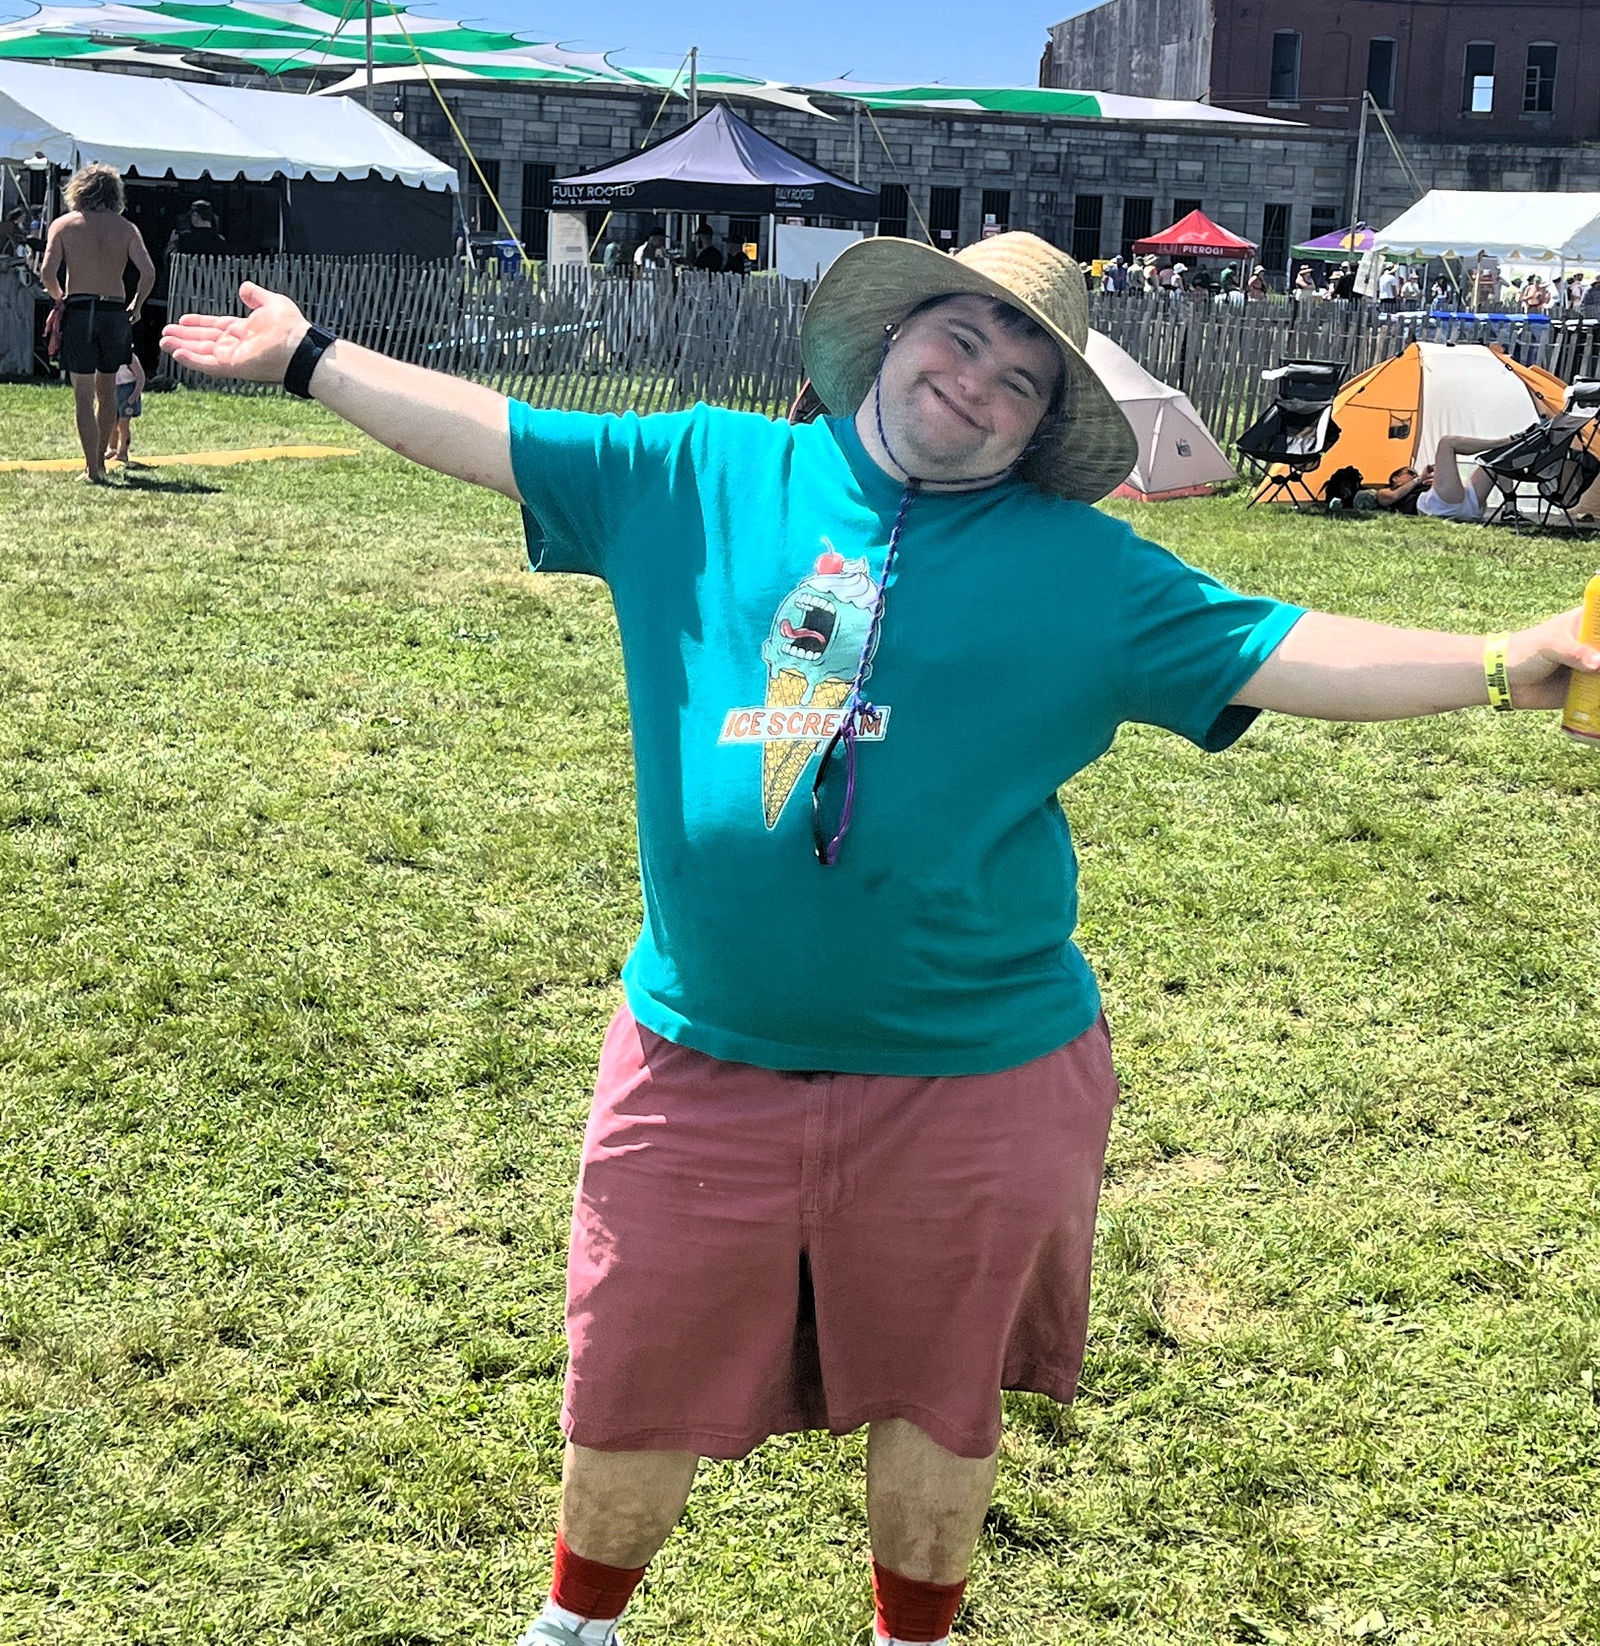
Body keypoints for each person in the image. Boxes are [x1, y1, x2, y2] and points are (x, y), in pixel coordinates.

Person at [162, 230, 1598, 1646]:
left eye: (1022, 379)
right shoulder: (706, 472)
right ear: (894, 334)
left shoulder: (1084, 567)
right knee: (632, 1362)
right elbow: (499, 433)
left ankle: (911, 1635)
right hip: (700, 1050)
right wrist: (309, 356)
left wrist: (1496, 662)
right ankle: (574, 1625)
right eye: (960, 339)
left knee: (938, 1387)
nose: (977, 382)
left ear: (1042, 426)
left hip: (973, 1072)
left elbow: (1279, 643)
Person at [40, 163, 155, 485]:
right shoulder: (126, 228)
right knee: (108, 392)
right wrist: (138, 304)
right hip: (115, 312)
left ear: (78, 190)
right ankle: (102, 462)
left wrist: (59, 297)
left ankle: (93, 468)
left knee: (83, 395)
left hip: (81, 310)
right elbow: (148, 273)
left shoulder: (65, 225)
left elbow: (47, 273)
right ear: (114, 194)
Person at [105, 347, 146, 468]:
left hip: (128, 390)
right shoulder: (108, 356)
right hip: (114, 389)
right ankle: (111, 448)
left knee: (123, 423)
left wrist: (135, 393)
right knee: (112, 421)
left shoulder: (129, 358)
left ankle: (123, 452)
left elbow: (141, 377)